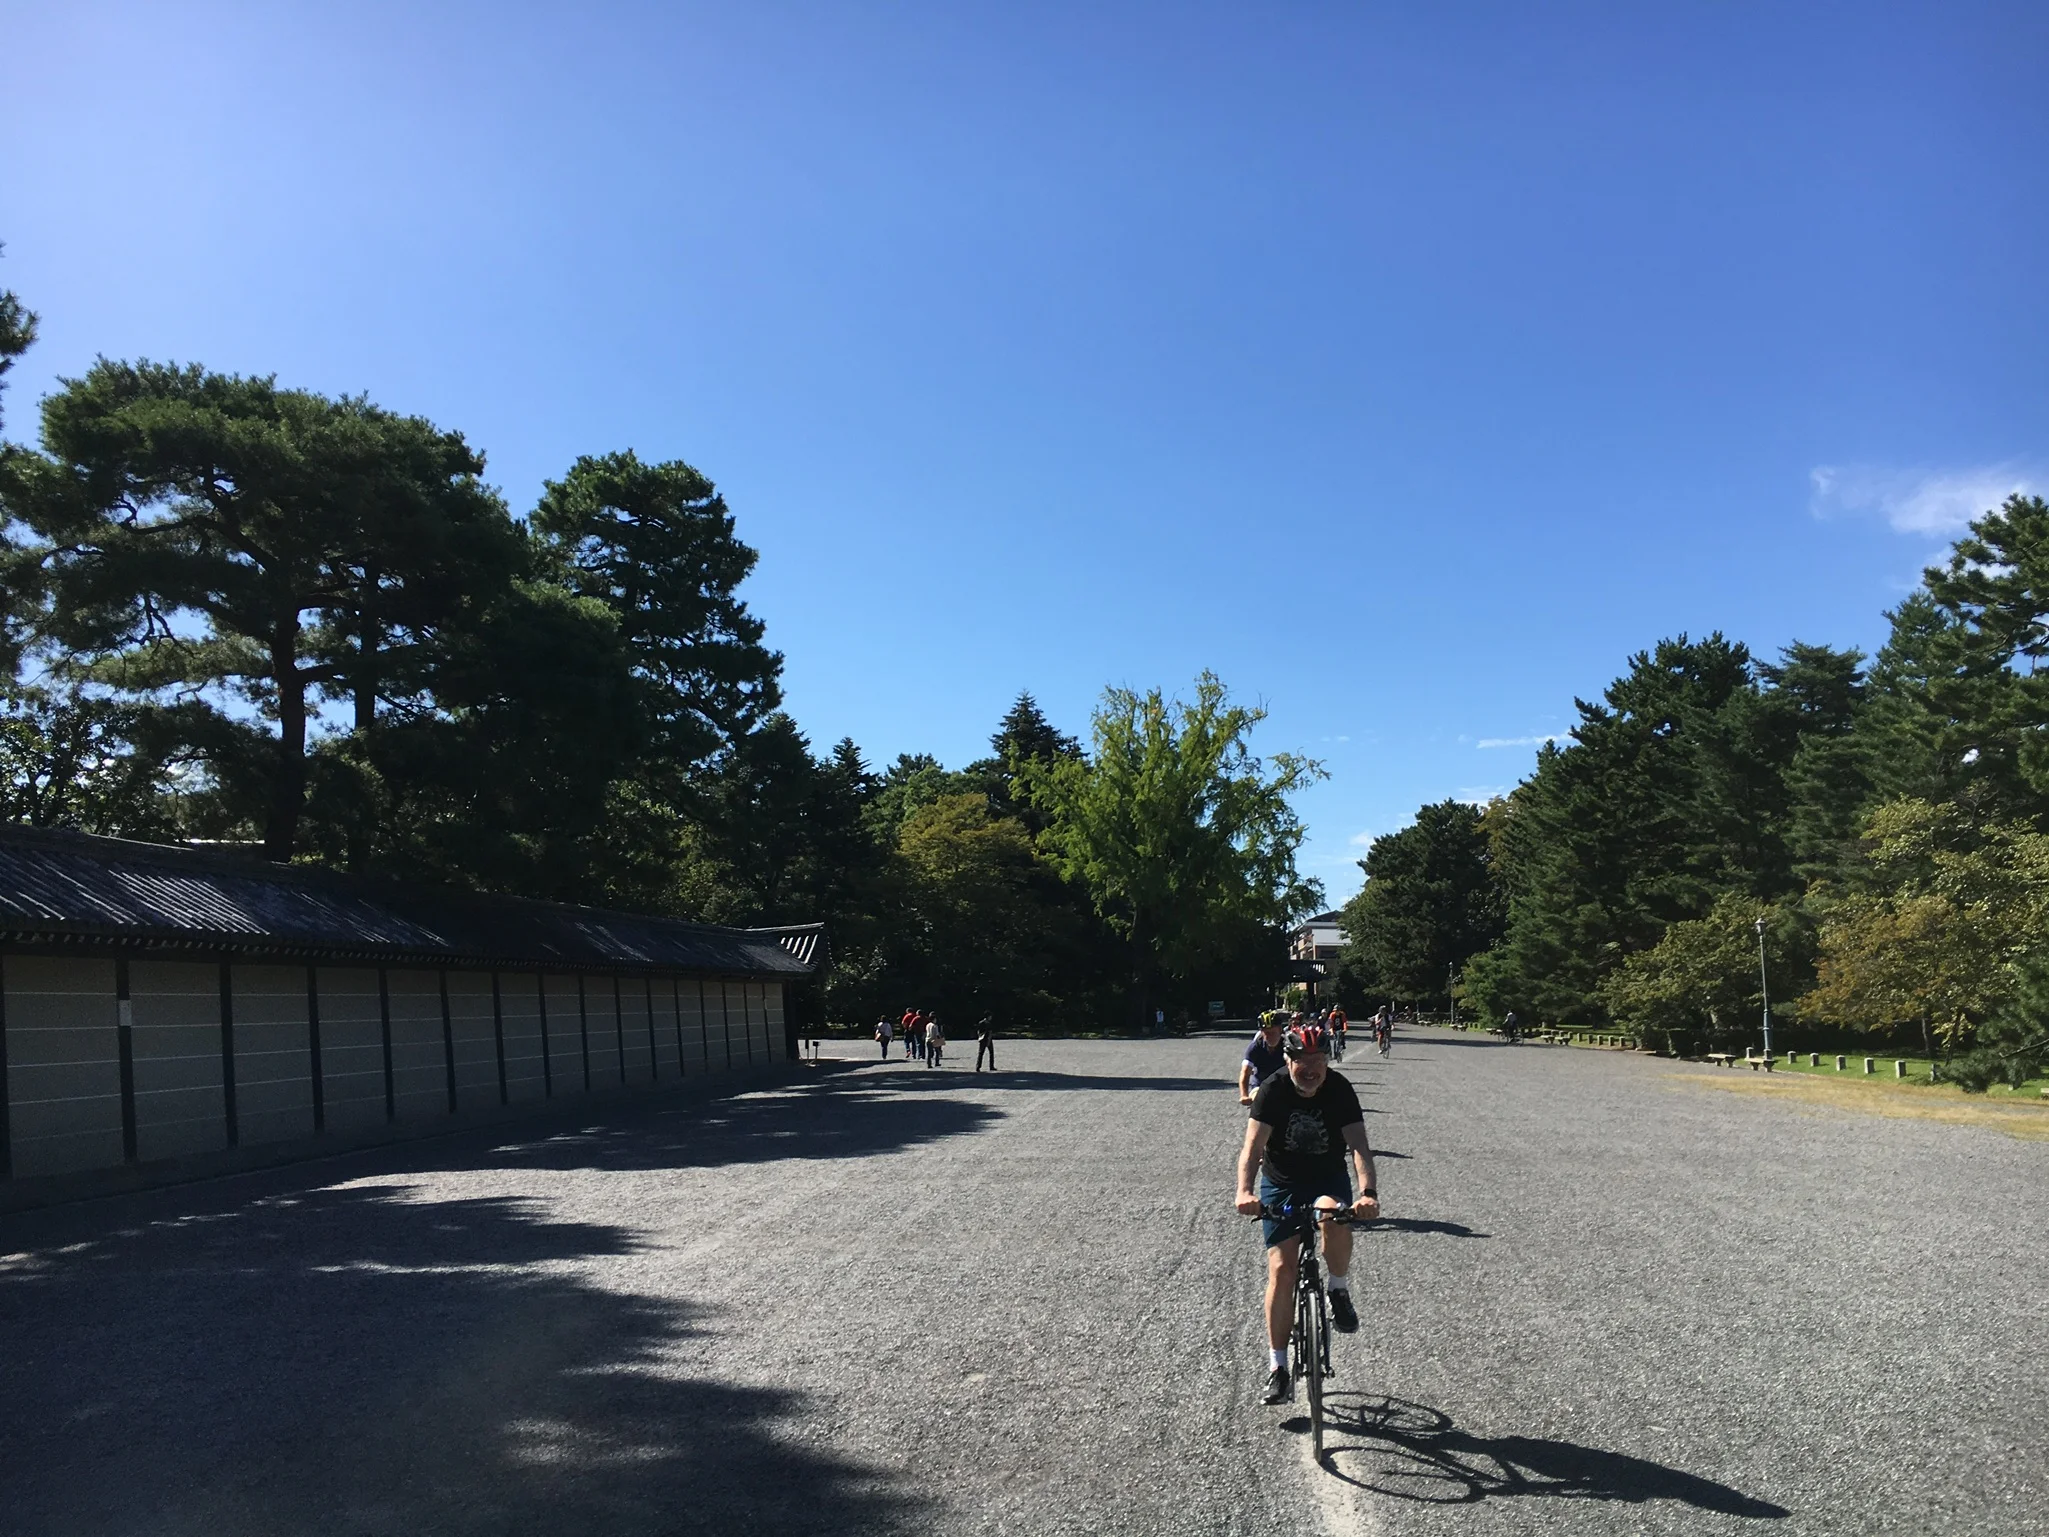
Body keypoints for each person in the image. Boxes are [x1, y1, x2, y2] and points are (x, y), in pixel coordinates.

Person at [1232, 1020, 1379, 1405]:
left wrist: (1368, 1193)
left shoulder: (1340, 1089)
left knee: (1331, 1212)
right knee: (1282, 1269)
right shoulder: (1272, 1090)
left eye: (1319, 1059)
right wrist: (1245, 1191)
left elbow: (1359, 1145)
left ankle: (1338, 1289)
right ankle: (1278, 1367)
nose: (1311, 1068)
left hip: (1327, 1179)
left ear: (1328, 1060)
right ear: (1288, 1058)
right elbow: (1252, 1147)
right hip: (1281, 1182)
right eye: (1303, 1060)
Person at [1237, 1014, 1288, 1106]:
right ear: (1261, 1032)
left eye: (1273, 1032)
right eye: (1266, 1033)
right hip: (1260, 1085)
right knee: (1260, 1101)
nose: (1270, 1037)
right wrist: (1244, 1095)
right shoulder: (1255, 1047)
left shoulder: (1288, 1046)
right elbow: (1245, 1072)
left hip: (1284, 1085)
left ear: (1280, 1030)